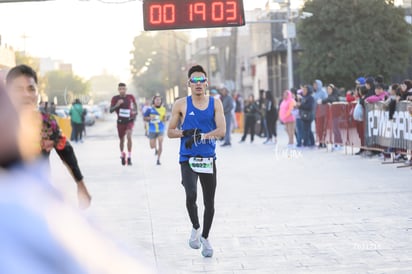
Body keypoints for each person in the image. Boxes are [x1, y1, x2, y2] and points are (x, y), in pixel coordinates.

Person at [5, 64, 91, 209]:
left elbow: (65, 150)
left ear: (37, 93)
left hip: (39, 201)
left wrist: (80, 184)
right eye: (19, 89)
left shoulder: (47, 122)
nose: (26, 94)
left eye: (31, 89)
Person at [167, 65, 226, 258]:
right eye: (195, 81)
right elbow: (170, 132)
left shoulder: (215, 103)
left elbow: (222, 131)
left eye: (202, 80)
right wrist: (186, 133)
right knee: (191, 194)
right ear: (189, 84)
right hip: (188, 158)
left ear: (207, 83)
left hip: (208, 159)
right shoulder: (180, 104)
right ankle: (195, 227)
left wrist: (201, 137)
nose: (199, 84)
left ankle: (206, 238)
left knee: (209, 202)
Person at [110, 82, 137, 166]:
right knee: (122, 140)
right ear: (118, 90)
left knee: (129, 136)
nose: (122, 90)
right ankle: (122, 154)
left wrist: (135, 113)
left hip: (129, 121)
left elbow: (135, 106)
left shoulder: (130, 97)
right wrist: (117, 105)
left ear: (126, 89)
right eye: (120, 89)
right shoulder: (115, 98)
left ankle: (129, 157)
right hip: (120, 122)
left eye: (123, 89)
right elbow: (110, 110)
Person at [144, 95, 166, 165]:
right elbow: (144, 118)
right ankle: (155, 148)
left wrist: (164, 119)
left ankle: (158, 159)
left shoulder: (163, 109)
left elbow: (163, 119)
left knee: (160, 143)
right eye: (156, 100)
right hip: (152, 129)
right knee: (152, 146)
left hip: (160, 129)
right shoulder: (149, 109)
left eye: (159, 100)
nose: (158, 101)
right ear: (153, 101)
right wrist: (150, 118)